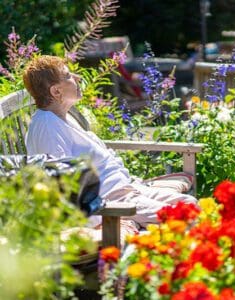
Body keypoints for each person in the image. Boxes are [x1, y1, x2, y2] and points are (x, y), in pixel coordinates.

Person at [23, 55, 197, 228]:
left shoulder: (63, 117)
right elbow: (60, 185)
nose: (78, 78)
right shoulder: (47, 126)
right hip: (113, 201)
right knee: (188, 217)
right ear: (56, 91)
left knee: (190, 204)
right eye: (68, 76)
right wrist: (101, 219)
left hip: (128, 189)